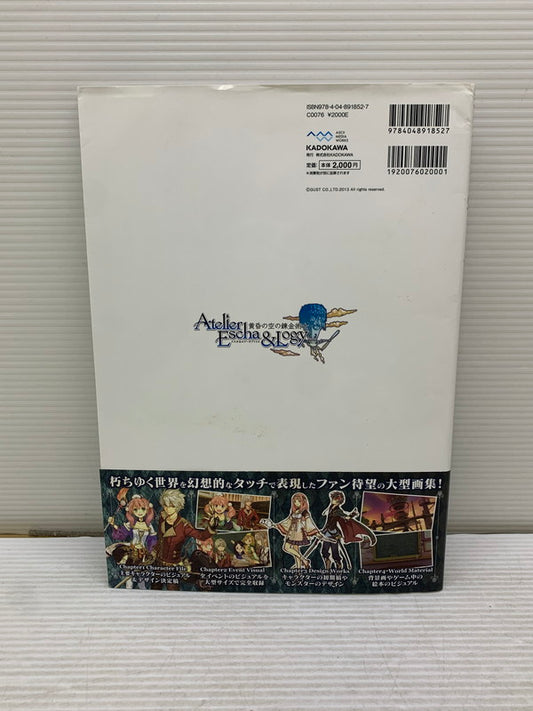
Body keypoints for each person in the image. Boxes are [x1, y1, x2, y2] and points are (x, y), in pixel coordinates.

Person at [263, 493, 320, 569]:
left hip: (299, 533)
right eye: (295, 501)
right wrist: (274, 525)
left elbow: (309, 523)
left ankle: (302, 562)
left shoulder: (305, 512)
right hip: (292, 532)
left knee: (286, 548)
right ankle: (300, 567)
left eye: (298, 501)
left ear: (303, 502)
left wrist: (315, 532)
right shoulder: (294, 511)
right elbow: (288, 521)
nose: (296, 503)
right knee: (296, 551)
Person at [108, 494, 157, 565]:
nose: (140, 512)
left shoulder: (149, 526)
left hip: (143, 550)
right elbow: (121, 534)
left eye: (143, 509)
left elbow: (152, 540)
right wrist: (113, 524)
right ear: (131, 511)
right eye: (135, 510)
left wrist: (150, 550)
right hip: (131, 548)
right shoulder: (131, 524)